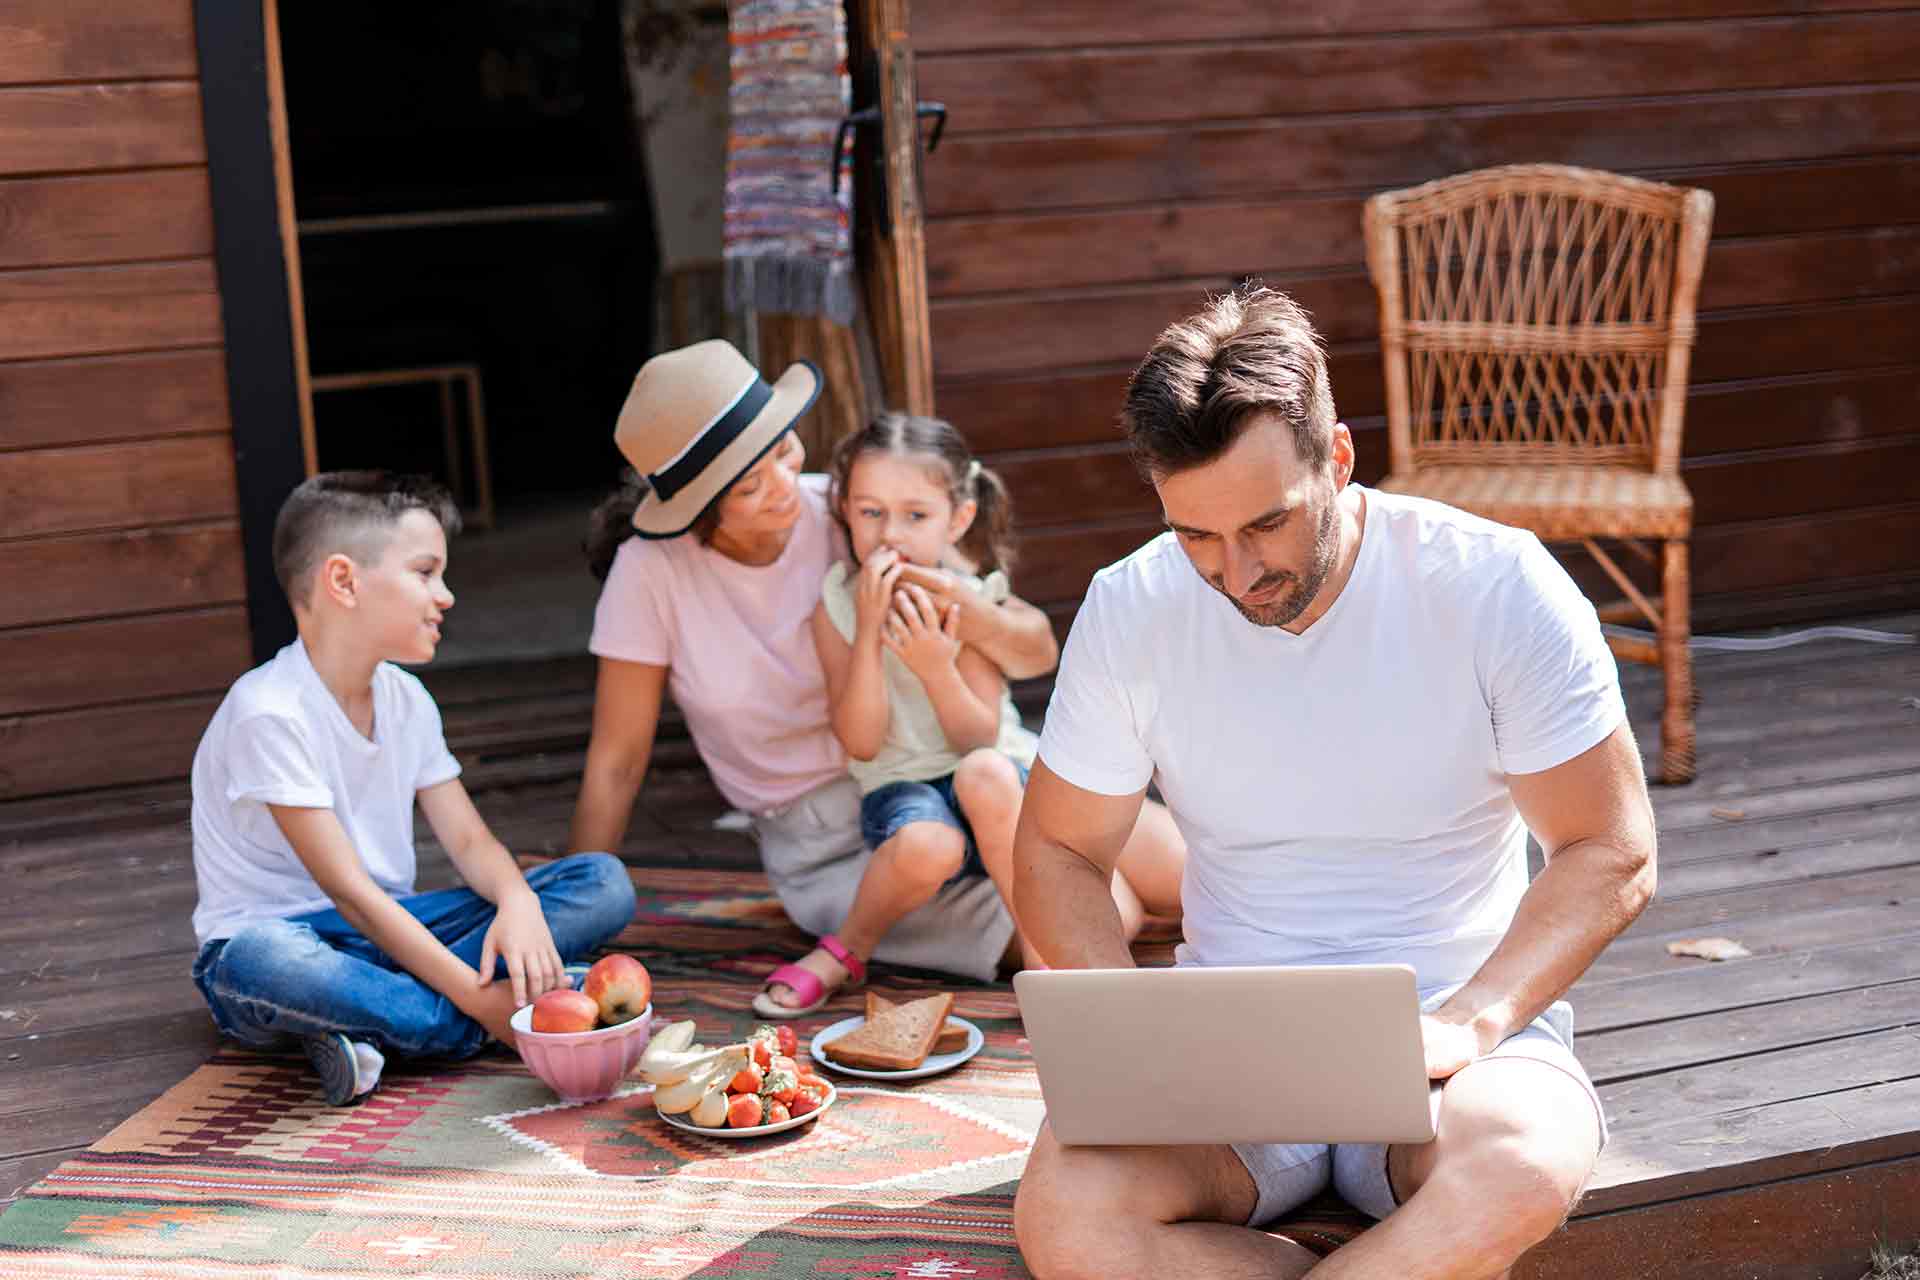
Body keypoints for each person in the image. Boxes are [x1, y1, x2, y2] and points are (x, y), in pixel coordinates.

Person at [1010, 287, 1657, 1279]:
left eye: (1266, 523)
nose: (1235, 571)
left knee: (1526, 1164)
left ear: (1340, 460)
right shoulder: (1135, 602)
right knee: (1066, 1220)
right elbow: (1057, 846)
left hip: (1456, 1037)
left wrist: (1473, 1018)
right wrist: (1129, 1035)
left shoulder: (1492, 584)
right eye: (1197, 534)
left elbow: (1612, 848)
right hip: (1225, 1055)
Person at [569, 340, 1186, 1016]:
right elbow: (618, 762)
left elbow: (1026, 640)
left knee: (1186, 872)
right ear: (699, 507)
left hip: (968, 764)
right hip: (849, 832)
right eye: (748, 484)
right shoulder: (651, 575)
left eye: (783, 450)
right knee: (1108, 915)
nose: (783, 486)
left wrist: (960, 623)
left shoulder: (854, 511)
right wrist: (577, 914)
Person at [188, 472, 637, 1107]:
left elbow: (471, 841)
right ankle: (482, 1009)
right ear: (343, 581)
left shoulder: (406, 698)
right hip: (289, 941)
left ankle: (362, 1024)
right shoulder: (269, 710)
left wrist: (516, 901)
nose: (446, 595)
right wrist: (484, 1005)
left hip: (391, 930)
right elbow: (350, 893)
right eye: (425, 573)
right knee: (268, 961)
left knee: (601, 882)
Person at [810, 413, 1121, 993]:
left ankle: (1043, 963)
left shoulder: (966, 598)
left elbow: (978, 738)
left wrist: (933, 669)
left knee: (986, 773)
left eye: (916, 515)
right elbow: (860, 741)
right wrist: (871, 626)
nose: (890, 536)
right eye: (870, 512)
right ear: (845, 512)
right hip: (908, 797)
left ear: (958, 519)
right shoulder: (836, 605)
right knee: (933, 837)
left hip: (1001, 794)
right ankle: (847, 948)